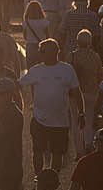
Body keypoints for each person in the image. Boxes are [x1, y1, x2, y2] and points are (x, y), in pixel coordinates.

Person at [20, 39, 82, 175]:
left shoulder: (67, 69)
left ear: (54, 52)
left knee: (57, 153)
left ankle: (54, 180)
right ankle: (38, 178)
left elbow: (77, 91)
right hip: (39, 119)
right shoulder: (36, 70)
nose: (39, 54)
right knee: (38, 151)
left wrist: (81, 113)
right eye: (40, 51)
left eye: (42, 51)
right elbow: (20, 84)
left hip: (60, 121)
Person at [21, 0, 51, 67]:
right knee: (42, 66)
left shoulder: (26, 22)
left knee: (30, 66)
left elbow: (25, 36)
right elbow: (48, 36)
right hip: (42, 45)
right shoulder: (44, 21)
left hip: (30, 46)